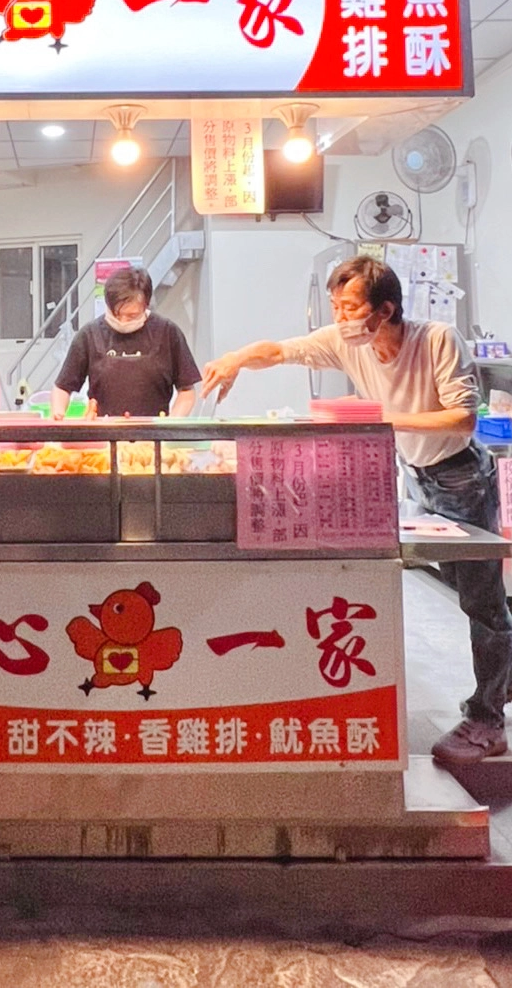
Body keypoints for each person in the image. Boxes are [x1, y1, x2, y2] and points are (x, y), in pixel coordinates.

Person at [201, 254, 512, 766]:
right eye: (335, 306)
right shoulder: (348, 342)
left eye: (350, 308)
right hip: (417, 475)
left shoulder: (437, 339)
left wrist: (380, 417)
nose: (340, 318)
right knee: (462, 586)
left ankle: (487, 718)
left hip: (461, 475)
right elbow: (278, 350)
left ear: (384, 310)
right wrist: (234, 358)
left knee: (482, 602)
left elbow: (461, 418)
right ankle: (501, 674)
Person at [50, 266, 200, 419]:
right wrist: (58, 414)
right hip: (103, 430)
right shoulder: (90, 334)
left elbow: (186, 390)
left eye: (131, 316)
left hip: (154, 430)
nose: (122, 321)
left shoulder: (167, 333)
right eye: (116, 314)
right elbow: (63, 387)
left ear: (146, 305)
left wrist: (172, 423)